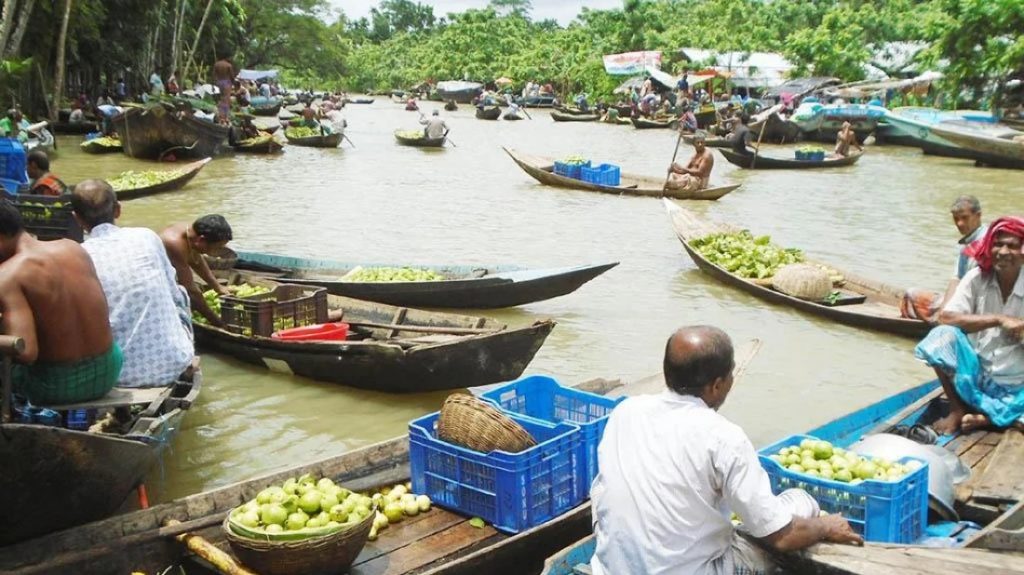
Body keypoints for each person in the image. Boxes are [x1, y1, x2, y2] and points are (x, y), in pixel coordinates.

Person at [592, 326, 862, 575]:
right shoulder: (723, 437)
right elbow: (782, 536)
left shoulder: (625, 411)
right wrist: (827, 526)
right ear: (717, 385)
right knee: (800, 500)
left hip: (611, 568)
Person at [71, 180, 193, 387]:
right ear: (118, 210)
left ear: (77, 219)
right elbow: (173, 292)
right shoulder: (146, 236)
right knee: (180, 292)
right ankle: (184, 358)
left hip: (118, 377)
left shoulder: (78, 255)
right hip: (174, 364)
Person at [0, 200, 122, 404]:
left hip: (58, 386)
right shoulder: (73, 247)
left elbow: (26, 352)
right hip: (109, 370)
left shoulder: (8, 276)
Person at [915, 217, 1024, 435]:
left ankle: (988, 418)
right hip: (978, 376)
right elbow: (946, 317)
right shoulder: (977, 277)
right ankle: (957, 410)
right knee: (942, 336)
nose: (1002, 252)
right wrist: (998, 319)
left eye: (1012, 246)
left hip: (1018, 386)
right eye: (997, 244)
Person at [902, 196, 988, 322]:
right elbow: (957, 278)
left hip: (975, 304)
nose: (960, 223)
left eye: (965, 218)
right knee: (911, 295)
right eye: (956, 219)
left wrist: (946, 311)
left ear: (978, 215)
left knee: (911, 295)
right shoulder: (967, 243)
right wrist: (945, 309)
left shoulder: (988, 240)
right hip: (963, 300)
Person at [160, 215, 233, 328]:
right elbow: (191, 291)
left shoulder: (192, 233)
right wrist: (217, 322)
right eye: (216, 248)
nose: (216, 252)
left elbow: (196, 260)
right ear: (201, 240)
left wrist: (217, 286)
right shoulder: (174, 243)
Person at [213, 58, 235, 125]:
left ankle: (220, 116)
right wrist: (233, 82)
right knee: (226, 99)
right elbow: (232, 76)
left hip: (219, 82)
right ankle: (224, 117)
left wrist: (214, 82)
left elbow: (213, 74)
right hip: (226, 82)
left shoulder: (216, 64)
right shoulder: (228, 65)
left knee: (220, 99)